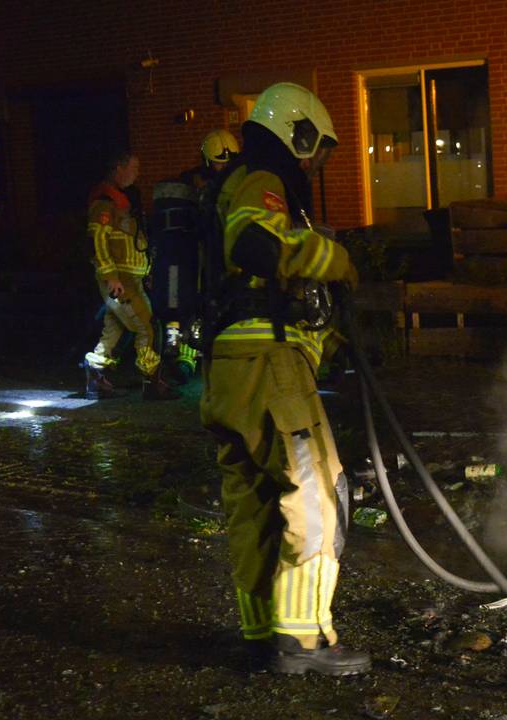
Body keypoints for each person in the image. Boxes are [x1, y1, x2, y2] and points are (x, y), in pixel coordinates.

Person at [198, 82, 367, 674]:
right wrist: (333, 258)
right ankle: (303, 640)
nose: (313, 167)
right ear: (296, 133)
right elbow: (254, 244)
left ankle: (260, 631)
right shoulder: (262, 183)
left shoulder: (227, 183)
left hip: (229, 367)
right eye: (314, 151)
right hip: (269, 363)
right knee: (317, 492)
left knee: (254, 501)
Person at [82, 150, 177, 400]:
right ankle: (152, 381)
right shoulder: (105, 202)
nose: (138, 173)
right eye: (133, 168)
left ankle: (96, 375)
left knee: (114, 329)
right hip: (120, 281)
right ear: (118, 168)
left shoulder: (121, 202)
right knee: (146, 327)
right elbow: (98, 241)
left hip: (128, 280)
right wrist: (110, 276)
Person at [149, 129, 241, 383]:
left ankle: (191, 359)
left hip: (215, 257)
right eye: (218, 162)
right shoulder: (193, 185)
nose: (222, 168)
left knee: (205, 306)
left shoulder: (237, 183)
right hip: (192, 256)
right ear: (207, 161)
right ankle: (179, 359)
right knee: (183, 307)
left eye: (226, 162)